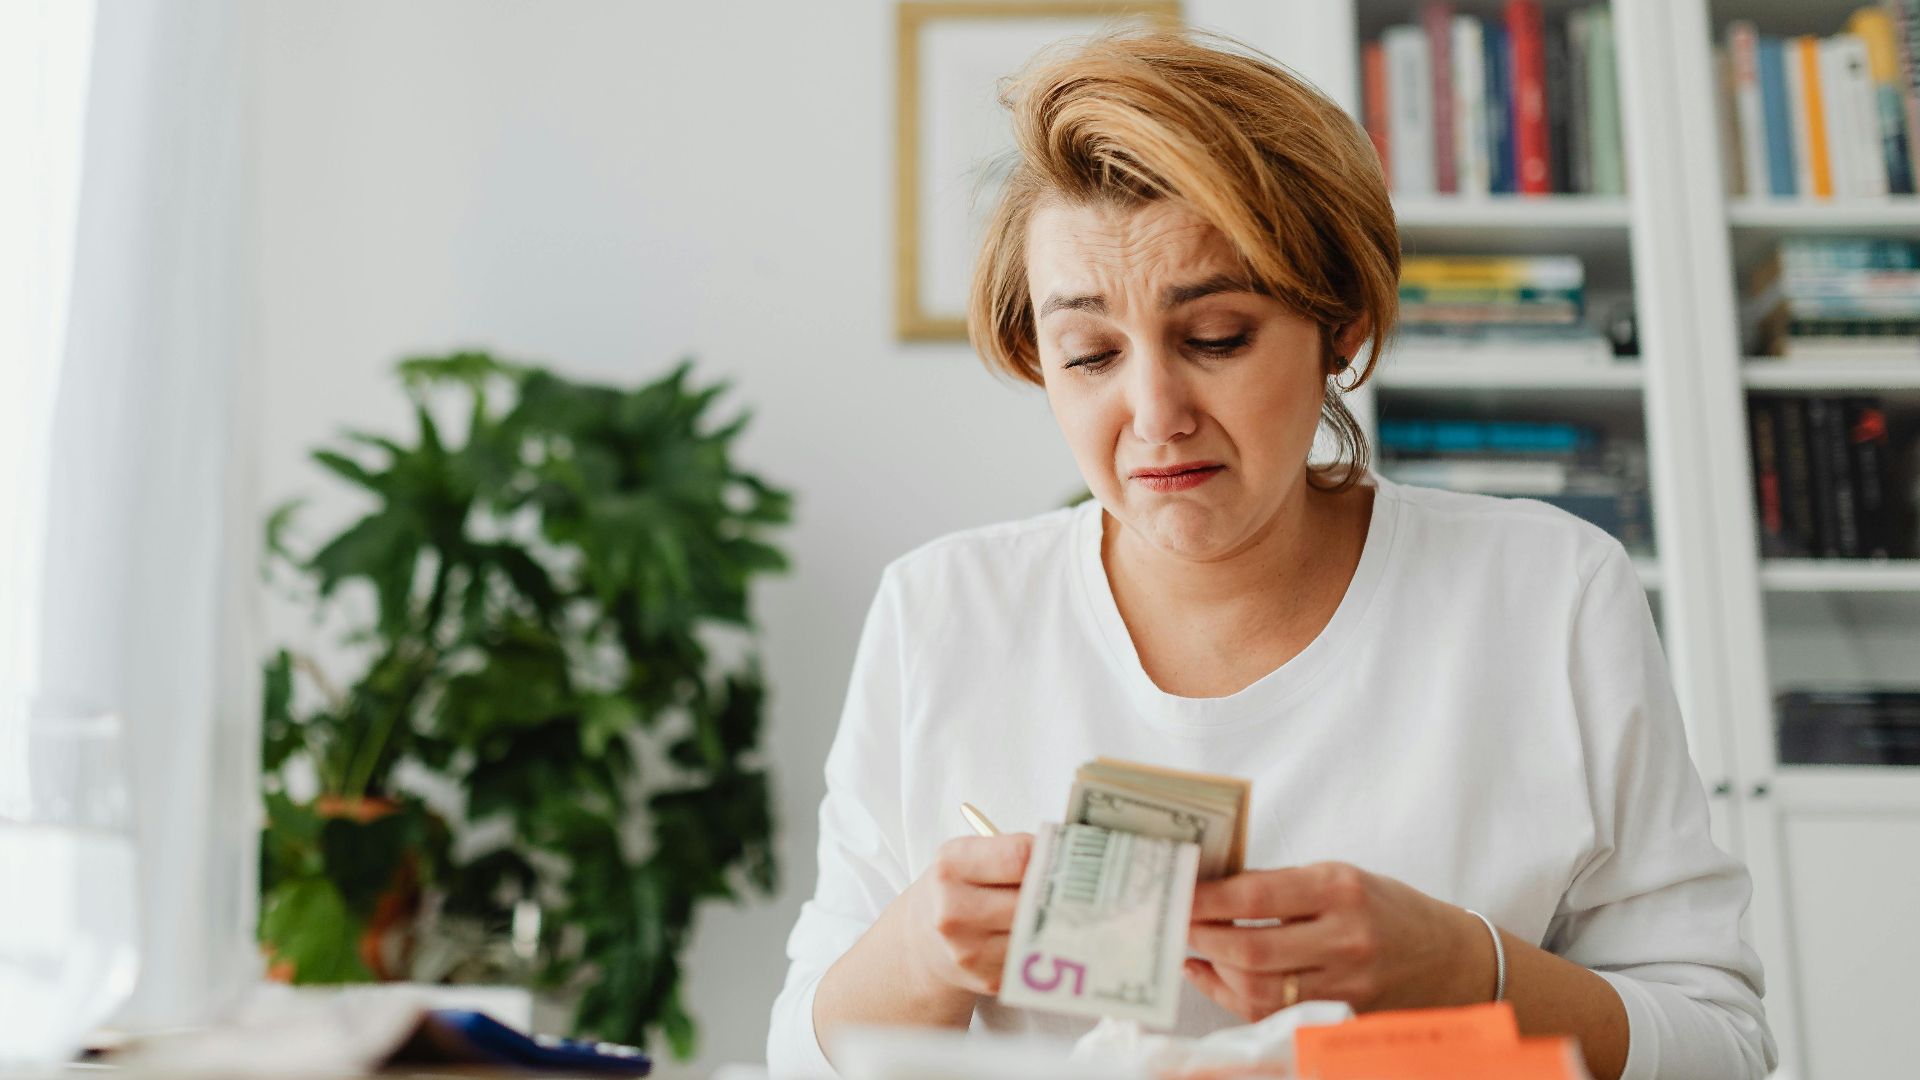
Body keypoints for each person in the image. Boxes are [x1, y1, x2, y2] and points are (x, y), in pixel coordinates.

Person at [767, 26, 1773, 1080]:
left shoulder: (1550, 593)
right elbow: (794, 1058)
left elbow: (1726, 1051)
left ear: (1338, 324)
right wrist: (922, 949)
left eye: (1217, 339)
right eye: (1090, 353)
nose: (1155, 414)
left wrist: (1468, 967)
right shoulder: (942, 612)